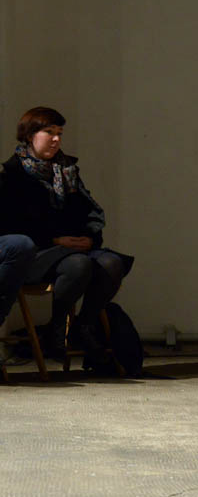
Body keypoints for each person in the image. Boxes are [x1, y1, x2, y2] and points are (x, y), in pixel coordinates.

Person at [1, 107, 134, 361]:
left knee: (111, 263)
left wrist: (90, 237)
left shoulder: (67, 170)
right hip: (37, 253)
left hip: (70, 249)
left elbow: (88, 211)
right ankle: (57, 330)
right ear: (29, 136)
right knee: (79, 265)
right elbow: (11, 224)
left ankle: (82, 326)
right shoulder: (13, 175)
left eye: (59, 133)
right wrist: (54, 239)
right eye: (49, 132)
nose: (56, 139)